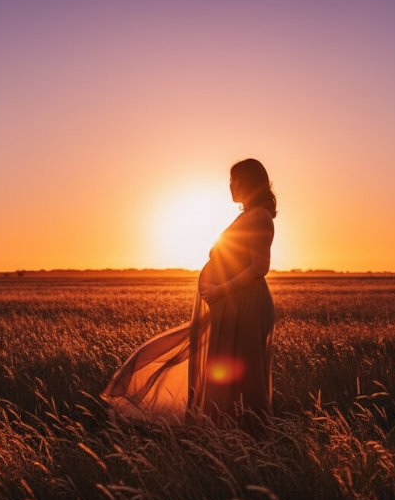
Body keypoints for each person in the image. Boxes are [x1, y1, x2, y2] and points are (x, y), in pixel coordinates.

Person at [102, 158, 277, 426]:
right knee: (221, 369)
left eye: (235, 180)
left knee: (244, 373)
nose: (230, 185)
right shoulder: (246, 216)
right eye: (229, 180)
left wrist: (220, 289)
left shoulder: (260, 217)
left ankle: (252, 438)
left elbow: (259, 267)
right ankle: (223, 431)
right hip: (230, 305)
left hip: (246, 305)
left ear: (250, 182)